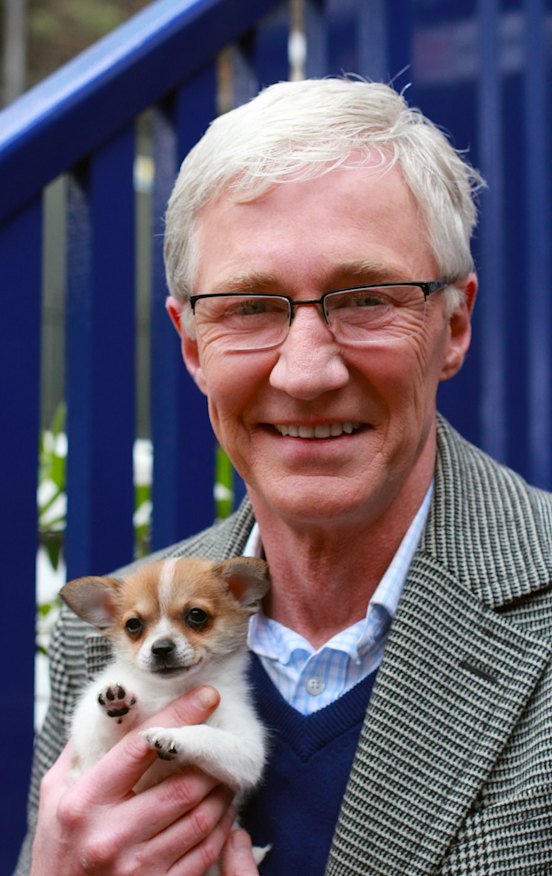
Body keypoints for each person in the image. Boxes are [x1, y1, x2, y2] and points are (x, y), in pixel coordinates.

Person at [16, 78, 552, 876]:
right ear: (193, 345)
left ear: (454, 325)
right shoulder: (102, 640)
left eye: (367, 297)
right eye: (249, 306)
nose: (305, 372)